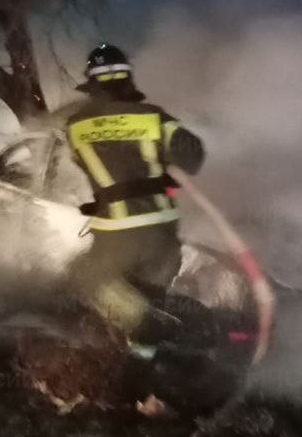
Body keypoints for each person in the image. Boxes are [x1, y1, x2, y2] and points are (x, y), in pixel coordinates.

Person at [67, 43, 206, 356]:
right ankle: (146, 362)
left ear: (92, 85)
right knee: (149, 297)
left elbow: (94, 166)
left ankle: (147, 325)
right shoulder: (153, 118)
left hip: (117, 234)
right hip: (163, 233)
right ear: (127, 80)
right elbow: (193, 158)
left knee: (84, 275)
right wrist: (163, 172)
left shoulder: (75, 126)